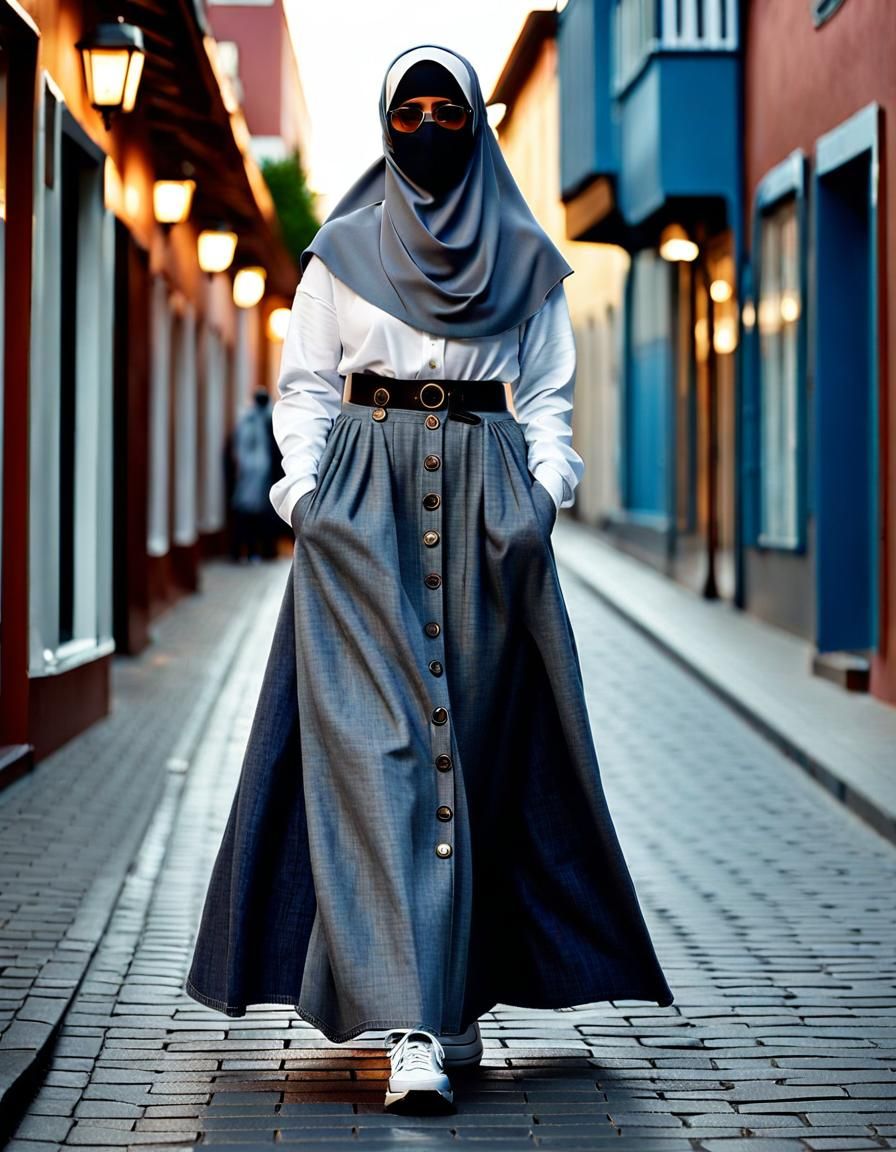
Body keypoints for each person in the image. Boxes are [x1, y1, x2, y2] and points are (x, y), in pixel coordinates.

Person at [183, 44, 674, 1115]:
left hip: (493, 509)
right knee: (388, 749)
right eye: (404, 108)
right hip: (361, 508)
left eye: (441, 107)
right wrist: (302, 499)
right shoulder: (337, 255)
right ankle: (409, 1025)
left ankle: (448, 1001)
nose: (423, 123)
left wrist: (543, 494)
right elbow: (305, 384)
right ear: (382, 121)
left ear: (473, 122)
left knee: (477, 762)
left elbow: (546, 390)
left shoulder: (527, 258)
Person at [229, 386, 278, 562]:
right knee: (246, 514)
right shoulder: (249, 420)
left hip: (264, 475)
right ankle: (243, 551)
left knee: (263, 516)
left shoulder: (270, 417)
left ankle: (263, 551)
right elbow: (242, 447)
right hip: (250, 474)